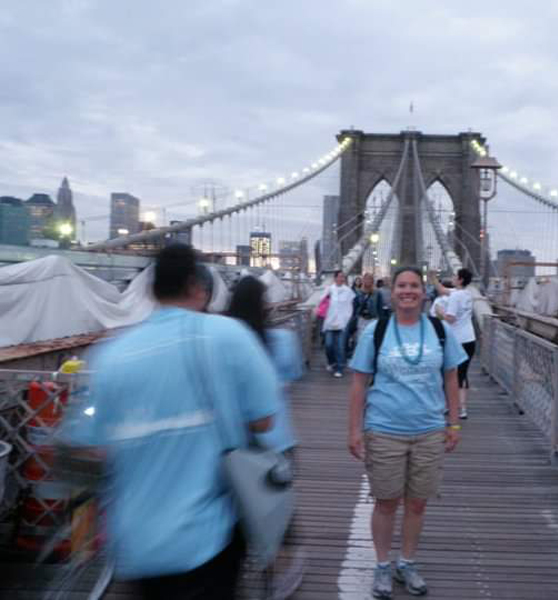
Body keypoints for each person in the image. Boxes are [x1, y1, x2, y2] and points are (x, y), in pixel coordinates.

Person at [61, 244, 284, 600]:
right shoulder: (230, 336)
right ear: (198, 286)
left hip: (136, 542)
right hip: (208, 536)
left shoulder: (110, 355)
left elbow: (87, 444)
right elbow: (264, 422)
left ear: (150, 290)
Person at [348, 266, 466, 599]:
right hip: (384, 428)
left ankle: (407, 562)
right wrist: (354, 430)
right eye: (402, 285)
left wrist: (454, 423)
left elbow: (452, 379)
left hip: (429, 429)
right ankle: (383, 565)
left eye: (414, 285)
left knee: (416, 504)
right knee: (386, 503)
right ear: (392, 291)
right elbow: (358, 382)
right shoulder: (376, 330)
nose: (408, 291)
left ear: (424, 291)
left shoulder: (440, 330)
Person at [226, 275, 305, 600]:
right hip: (277, 441)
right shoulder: (283, 341)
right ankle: (279, 568)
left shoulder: (222, 342)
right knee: (274, 509)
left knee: (233, 514)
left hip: (232, 446)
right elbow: (293, 376)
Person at [432, 268, 475, 419]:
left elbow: (450, 318)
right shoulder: (467, 294)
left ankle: (451, 407)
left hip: (457, 341)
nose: (453, 277)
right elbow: (443, 289)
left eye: (455, 276)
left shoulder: (455, 297)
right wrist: (432, 277)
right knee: (462, 374)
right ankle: (461, 408)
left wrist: (439, 311)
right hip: (470, 339)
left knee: (451, 374)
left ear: (461, 279)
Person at [322, 269, 356, 378]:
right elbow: (321, 301)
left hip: (343, 322)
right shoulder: (329, 289)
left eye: (343, 277)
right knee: (328, 345)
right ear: (335, 278)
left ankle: (340, 368)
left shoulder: (348, 291)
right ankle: (332, 362)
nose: (342, 278)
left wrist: (347, 319)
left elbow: (351, 306)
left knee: (340, 346)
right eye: (340, 276)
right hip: (330, 322)